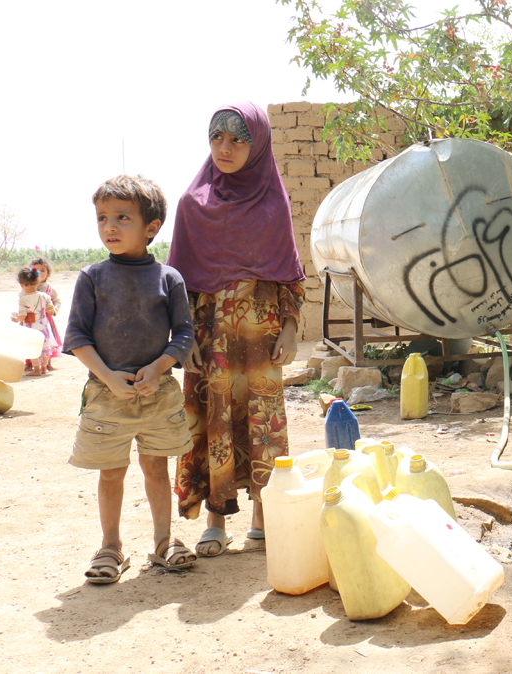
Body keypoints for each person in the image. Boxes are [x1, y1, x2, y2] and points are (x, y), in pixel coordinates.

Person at [170, 102, 305, 558]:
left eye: (237, 139)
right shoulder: (193, 203)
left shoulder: (273, 201)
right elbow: (180, 283)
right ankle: (215, 518)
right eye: (216, 138)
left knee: (262, 424)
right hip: (209, 339)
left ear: (258, 143)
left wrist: (289, 329)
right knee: (214, 421)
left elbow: (288, 274)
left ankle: (263, 516)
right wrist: (181, 338)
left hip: (260, 337)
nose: (224, 148)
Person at [64, 175, 198, 583]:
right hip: (107, 397)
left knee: (156, 467)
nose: (110, 226)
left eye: (122, 217)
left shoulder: (168, 278)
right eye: (103, 217)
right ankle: (111, 547)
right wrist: (106, 377)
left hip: (157, 395)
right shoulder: (92, 277)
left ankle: (163, 542)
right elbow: (76, 336)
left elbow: (185, 333)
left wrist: (158, 368)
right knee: (111, 472)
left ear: (151, 228)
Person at [13, 267, 56, 375]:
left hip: (31, 328)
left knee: (33, 348)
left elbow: (22, 316)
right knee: (44, 347)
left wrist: (16, 319)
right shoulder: (45, 296)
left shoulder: (23, 299)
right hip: (43, 325)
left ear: (21, 284)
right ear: (37, 283)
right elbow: (51, 310)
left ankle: (36, 369)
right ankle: (44, 368)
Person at [31, 256, 62, 369]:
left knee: (47, 340)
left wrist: (53, 309)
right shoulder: (28, 287)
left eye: (43, 270)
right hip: (31, 320)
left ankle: (47, 362)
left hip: (46, 321)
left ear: (48, 274)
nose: (39, 272)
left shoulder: (50, 289)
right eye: (36, 269)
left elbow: (58, 301)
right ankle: (30, 363)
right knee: (31, 340)